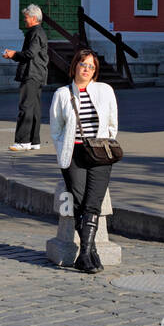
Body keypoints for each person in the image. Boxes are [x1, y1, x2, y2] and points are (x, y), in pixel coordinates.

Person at [49, 48, 119, 274]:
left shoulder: (105, 90)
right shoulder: (62, 94)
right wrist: (64, 148)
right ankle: (89, 253)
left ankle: (86, 254)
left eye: (91, 66)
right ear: (75, 67)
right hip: (74, 154)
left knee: (93, 203)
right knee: (79, 203)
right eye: (83, 65)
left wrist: (106, 139)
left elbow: (112, 122)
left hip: (100, 153)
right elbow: (56, 128)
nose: (87, 69)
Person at [3, 3, 48, 150]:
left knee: (26, 107)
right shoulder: (38, 32)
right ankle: (34, 141)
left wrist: (13, 54)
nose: (24, 20)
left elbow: (30, 54)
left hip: (32, 73)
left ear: (34, 18)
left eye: (26, 17)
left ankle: (23, 141)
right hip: (38, 73)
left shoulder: (35, 33)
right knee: (34, 108)